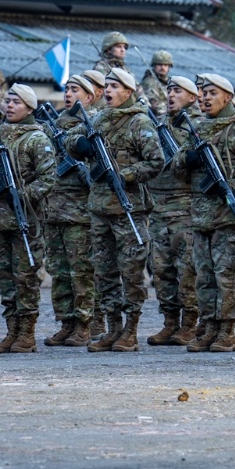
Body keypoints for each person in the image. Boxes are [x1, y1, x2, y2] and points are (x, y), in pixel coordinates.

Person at [72, 66, 163, 352]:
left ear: (128, 92)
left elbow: (156, 162)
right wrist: (78, 144)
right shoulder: (98, 118)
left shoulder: (140, 122)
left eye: (114, 86)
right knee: (104, 271)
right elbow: (68, 139)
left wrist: (126, 175)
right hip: (100, 208)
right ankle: (112, 328)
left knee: (131, 272)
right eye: (107, 86)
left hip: (129, 210)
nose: (108, 91)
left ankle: (130, 330)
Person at [179, 73, 235, 353]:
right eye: (203, 93)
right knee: (203, 276)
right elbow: (176, 166)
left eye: (212, 93)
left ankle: (226, 331)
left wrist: (229, 186)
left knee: (224, 275)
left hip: (229, 216)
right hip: (201, 216)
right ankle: (208, 327)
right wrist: (187, 159)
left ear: (227, 97)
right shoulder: (197, 128)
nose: (205, 98)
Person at [0, 84, 55, 353]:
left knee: (25, 275)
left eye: (16, 102)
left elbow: (48, 179)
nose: (9, 106)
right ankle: (12, 329)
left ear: (29, 108)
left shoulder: (36, 139)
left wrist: (22, 194)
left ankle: (27, 333)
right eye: (8, 101)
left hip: (24, 219)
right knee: (4, 275)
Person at [42, 74, 101, 346]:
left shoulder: (94, 124)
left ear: (89, 97)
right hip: (54, 210)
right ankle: (66, 323)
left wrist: (83, 166)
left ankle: (86, 324)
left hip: (80, 213)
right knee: (59, 271)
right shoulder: (54, 124)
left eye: (75, 90)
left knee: (82, 272)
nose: (68, 94)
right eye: (66, 89)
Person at [145, 76, 202, 346]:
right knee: (161, 270)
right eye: (169, 90)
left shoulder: (197, 126)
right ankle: (170, 323)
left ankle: (190, 324)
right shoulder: (157, 125)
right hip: (159, 208)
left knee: (186, 271)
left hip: (185, 209)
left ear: (192, 97)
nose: (170, 95)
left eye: (177, 91)